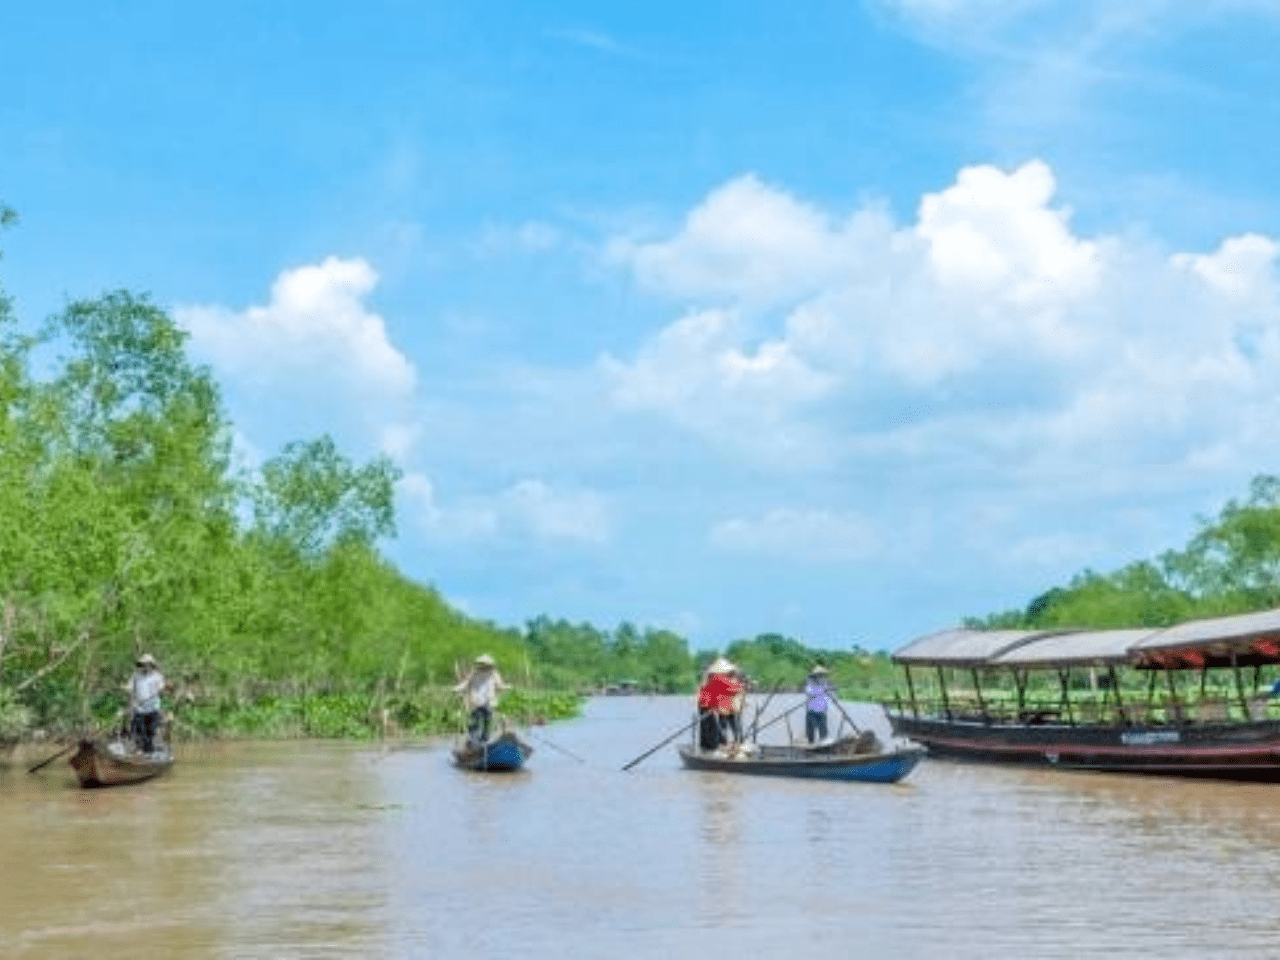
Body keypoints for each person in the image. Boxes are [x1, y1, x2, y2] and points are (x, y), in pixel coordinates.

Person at [454, 654, 510, 743]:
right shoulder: (475, 674)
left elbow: (500, 685)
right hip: (476, 702)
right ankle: (473, 739)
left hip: (488, 702)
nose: (484, 666)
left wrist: (507, 687)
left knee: (487, 720)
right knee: (475, 720)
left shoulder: (494, 674)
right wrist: (456, 689)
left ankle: (485, 739)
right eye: (483, 664)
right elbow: (466, 684)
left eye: (486, 665)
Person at [696, 657, 743, 751]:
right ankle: (726, 744)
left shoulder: (711, 679)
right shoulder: (718, 678)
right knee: (725, 728)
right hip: (716, 708)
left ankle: (714, 745)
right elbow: (737, 689)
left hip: (717, 708)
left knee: (714, 729)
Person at [128, 654, 166, 754]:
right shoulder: (136, 676)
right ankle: (139, 751)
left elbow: (161, 689)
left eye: (147, 664)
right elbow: (131, 690)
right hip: (139, 708)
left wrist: (161, 690)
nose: (145, 667)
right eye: (143, 664)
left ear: (151, 665)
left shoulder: (157, 676)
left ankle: (149, 752)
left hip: (152, 708)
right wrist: (130, 705)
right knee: (139, 731)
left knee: (150, 731)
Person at [804, 665, 833, 745]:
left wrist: (830, 708)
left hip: (822, 710)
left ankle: (823, 744)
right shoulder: (809, 682)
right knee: (811, 729)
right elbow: (809, 692)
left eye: (822, 674)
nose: (821, 676)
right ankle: (811, 744)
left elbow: (827, 697)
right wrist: (822, 690)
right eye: (819, 674)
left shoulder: (824, 682)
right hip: (812, 709)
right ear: (816, 674)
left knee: (823, 729)